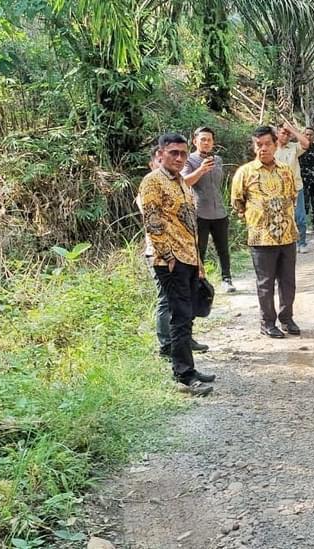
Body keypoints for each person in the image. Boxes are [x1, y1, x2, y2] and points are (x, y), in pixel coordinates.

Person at [139, 133, 216, 396]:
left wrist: (198, 261)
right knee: (179, 316)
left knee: (187, 314)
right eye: (174, 153)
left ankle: (189, 369)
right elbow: (152, 221)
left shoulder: (181, 182)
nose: (179, 158)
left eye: (183, 153)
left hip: (188, 257)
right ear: (161, 153)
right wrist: (167, 256)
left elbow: (188, 224)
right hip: (169, 261)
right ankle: (184, 375)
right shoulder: (153, 182)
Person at [231, 126, 301, 339]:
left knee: (288, 281)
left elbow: (292, 197)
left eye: (267, 144)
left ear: (275, 144)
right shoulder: (245, 172)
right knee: (265, 283)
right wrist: (256, 219)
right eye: (258, 145)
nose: (263, 149)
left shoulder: (285, 170)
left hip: (287, 235)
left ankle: (287, 318)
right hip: (261, 238)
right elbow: (237, 202)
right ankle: (267, 322)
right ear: (254, 147)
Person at [181, 127, 235, 293]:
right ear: (195, 141)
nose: (206, 142)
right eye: (202, 139)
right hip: (199, 212)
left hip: (219, 211)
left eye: (209, 140)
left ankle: (227, 279)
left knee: (223, 248)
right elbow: (184, 182)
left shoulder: (217, 159)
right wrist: (201, 169)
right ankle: (199, 283)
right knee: (199, 249)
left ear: (213, 143)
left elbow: (218, 184)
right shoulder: (189, 160)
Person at [275, 122, 310, 253]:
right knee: (282, 217)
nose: (286, 136)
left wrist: (292, 129)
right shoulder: (272, 149)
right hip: (278, 189)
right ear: (277, 133)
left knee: (300, 217)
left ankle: (302, 243)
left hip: (296, 187)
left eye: (288, 134)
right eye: (283, 133)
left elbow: (306, 143)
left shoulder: (294, 147)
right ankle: (286, 244)